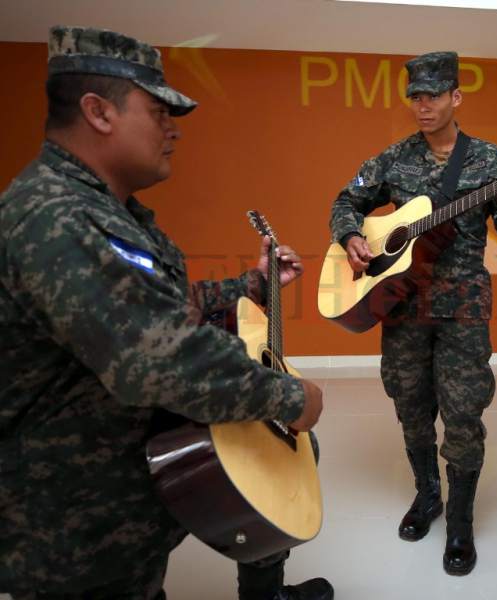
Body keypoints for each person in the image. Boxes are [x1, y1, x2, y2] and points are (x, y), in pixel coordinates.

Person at [0, 26, 333, 600]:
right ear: (99, 111)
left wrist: (249, 285)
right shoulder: (59, 216)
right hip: (71, 525)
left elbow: (153, 306)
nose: (173, 129)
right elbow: (157, 359)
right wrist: (291, 397)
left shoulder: (103, 209)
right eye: (158, 112)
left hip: (121, 491)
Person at [328, 51, 497, 575]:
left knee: (464, 413)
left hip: (463, 305)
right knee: (410, 404)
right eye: (415, 97)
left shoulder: (490, 159)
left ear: (456, 97)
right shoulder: (393, 158)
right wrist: (352, 235)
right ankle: (428, 495)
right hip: (402, 305)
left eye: (433, 96)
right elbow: (345, 200)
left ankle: (461, 521)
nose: (423, 107)